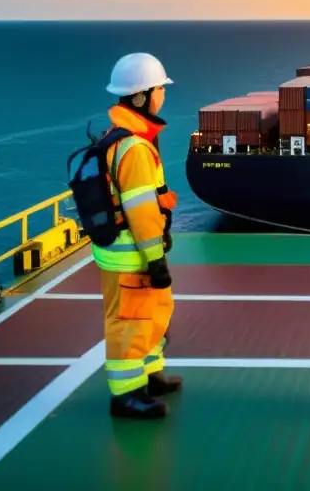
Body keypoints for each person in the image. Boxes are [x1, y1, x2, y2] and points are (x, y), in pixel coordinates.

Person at [97, 52, 181, 419]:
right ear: (140, 96)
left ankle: (149, 374)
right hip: (131, 253)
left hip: (140, 250)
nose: (163, 94)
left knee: (154, 313)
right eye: (159, 88)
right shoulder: (132, 147)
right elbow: (141, 209)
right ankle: (126, 395)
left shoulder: (131, 138)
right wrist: (155, 256)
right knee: (129, 323)